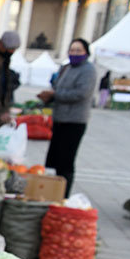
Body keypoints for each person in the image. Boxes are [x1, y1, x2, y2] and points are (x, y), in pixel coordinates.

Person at [38, 38, 96, 196]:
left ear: (86, 52)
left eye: (78, 50)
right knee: (54, 158)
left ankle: (63, 194)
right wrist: (49, 96)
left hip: (74, 121)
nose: (74, 53)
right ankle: (53, 190)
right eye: (72, 50)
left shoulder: (88, 70)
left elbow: (81, 93)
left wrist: (56, 95)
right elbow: (56, 87)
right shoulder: (66, 67)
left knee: (66, 160)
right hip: (59, 119)